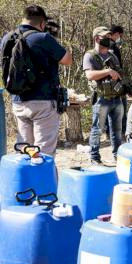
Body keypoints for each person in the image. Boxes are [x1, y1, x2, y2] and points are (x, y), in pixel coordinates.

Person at [0, 5, 72, 156]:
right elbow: (67, 59)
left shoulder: (7, 38)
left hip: (18, 101)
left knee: (26, 150)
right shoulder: (43, 38)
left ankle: (25, 180)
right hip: (43, 102)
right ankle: (44, 180)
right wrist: (54, 39)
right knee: (43, 153)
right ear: (42, 23)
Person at [83, 26, 124, 165]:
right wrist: (107, 72)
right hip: (101, 98)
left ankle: (118, 156)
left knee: (117, 131)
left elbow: (119, 73)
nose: (108, 39)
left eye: (109, 37)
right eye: (105, 37)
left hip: (117, 97)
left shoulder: (112, 55)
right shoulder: (90, 55)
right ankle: (94, 157)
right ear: (96, 38)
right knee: (97, 130)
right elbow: (89, 75)